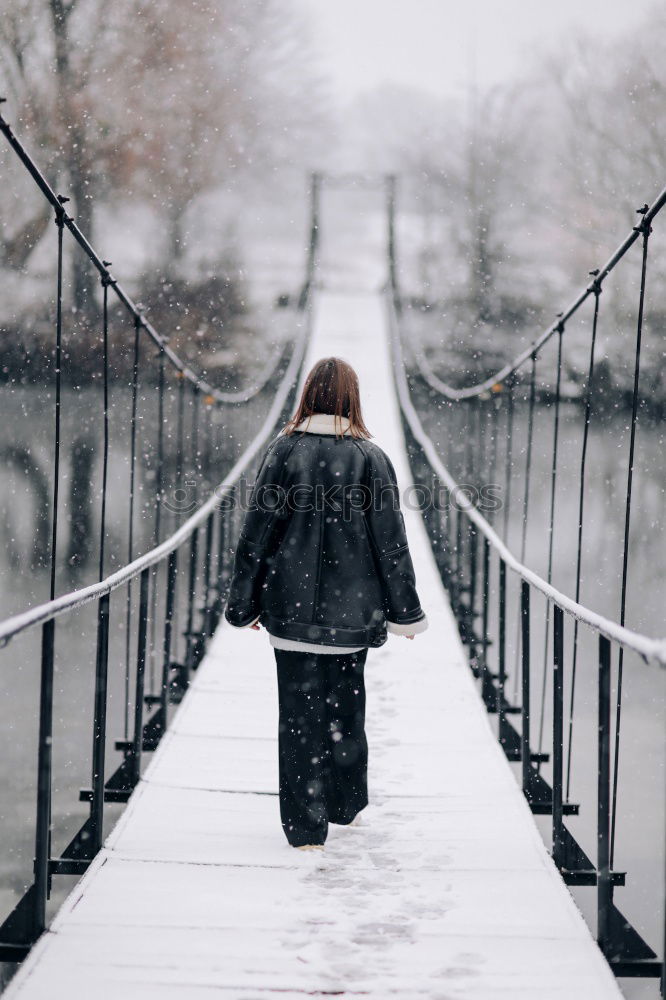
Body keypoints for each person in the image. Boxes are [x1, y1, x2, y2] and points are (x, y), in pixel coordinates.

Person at [224, 356, 427, 849]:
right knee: (346, 711)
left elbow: (257, 534)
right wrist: (406, 612)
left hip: (288, 613)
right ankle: (344, 803)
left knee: (297, 718)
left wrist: (243, 604)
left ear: (306, 396)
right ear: (352, 400)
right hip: (353, 614)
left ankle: (305, 828)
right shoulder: (372, 459)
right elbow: (390, 542)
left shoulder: (282, 453)